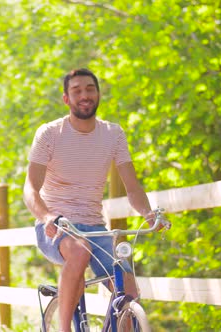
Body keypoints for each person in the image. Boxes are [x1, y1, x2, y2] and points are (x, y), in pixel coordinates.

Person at [23, 68, 159, 331]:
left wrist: (149, 214)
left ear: (97, 94)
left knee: (127, 287)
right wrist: (47, 216)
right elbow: (30, 189)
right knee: (78, 249)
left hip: (96, 229)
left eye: (89, 89)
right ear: (66, 99)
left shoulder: (113, 134)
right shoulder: (50, 134)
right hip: (57, 227)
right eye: (76, 91)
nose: (84, 95)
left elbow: (133, 187)